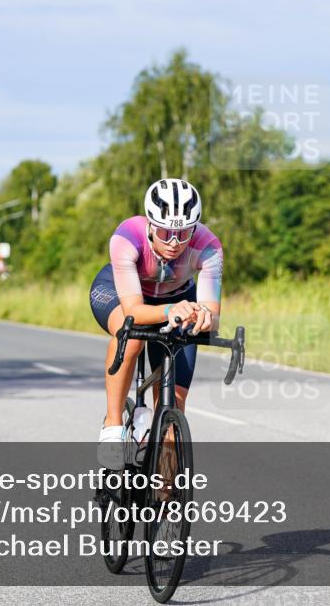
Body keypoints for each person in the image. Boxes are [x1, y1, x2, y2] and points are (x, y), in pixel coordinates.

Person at [89, 179, 223, 468]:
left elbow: (213, 313)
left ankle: (163, 487)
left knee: (175, 402)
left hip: (177, 297)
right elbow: (134, 312)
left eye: (184, 233)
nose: (174, 243)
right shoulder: (127, 236)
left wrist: (204, 317)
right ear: (150, 224)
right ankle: (113, 424)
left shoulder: (208, 245)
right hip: (120, 292)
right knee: (132, 335)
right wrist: (171, 310)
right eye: (165, 232)